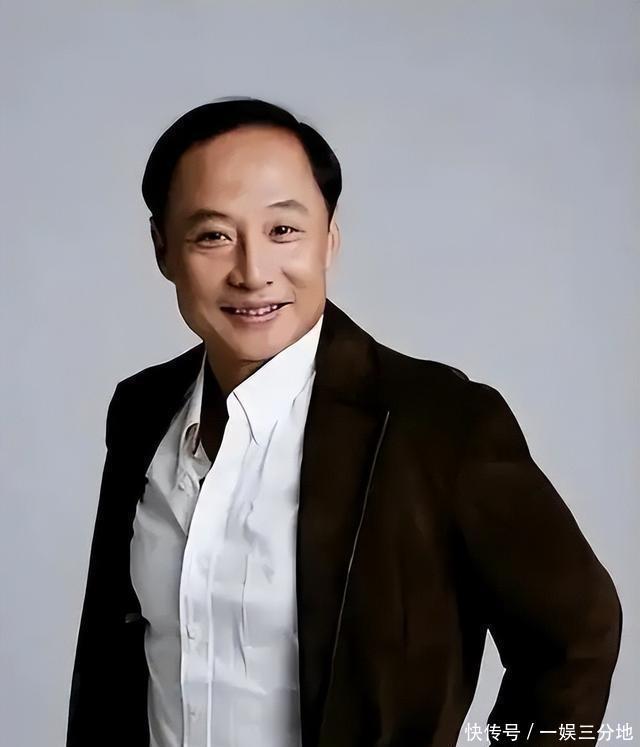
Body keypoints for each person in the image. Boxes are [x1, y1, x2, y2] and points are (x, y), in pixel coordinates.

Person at [66, 98, 622, 747]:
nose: (252, 272)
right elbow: (112, 662)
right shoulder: (142, 410)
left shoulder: (441, 424)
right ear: (163, 249)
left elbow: (576, 638)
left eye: (283, 230)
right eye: (213, 235)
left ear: (329, 237)